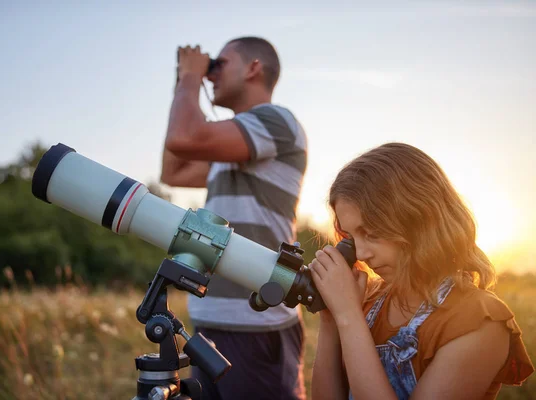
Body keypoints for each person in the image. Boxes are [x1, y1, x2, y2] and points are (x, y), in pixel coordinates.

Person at [309, 142, 534, 399]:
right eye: (351, 237)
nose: (361, 255)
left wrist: (348, 316)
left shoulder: (478, 321)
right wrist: (330, 317)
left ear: (418, 218)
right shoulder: (368, 302)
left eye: (371, 233)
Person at [161, 37, 308, 400]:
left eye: (220, 64)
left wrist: (190, 79)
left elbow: (183, 137)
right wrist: (184, 81)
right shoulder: (227, 149)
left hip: (255, 323)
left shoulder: (276, 122)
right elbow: (173, 170)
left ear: (254, 68)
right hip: (211, 320)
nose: (211, 75)